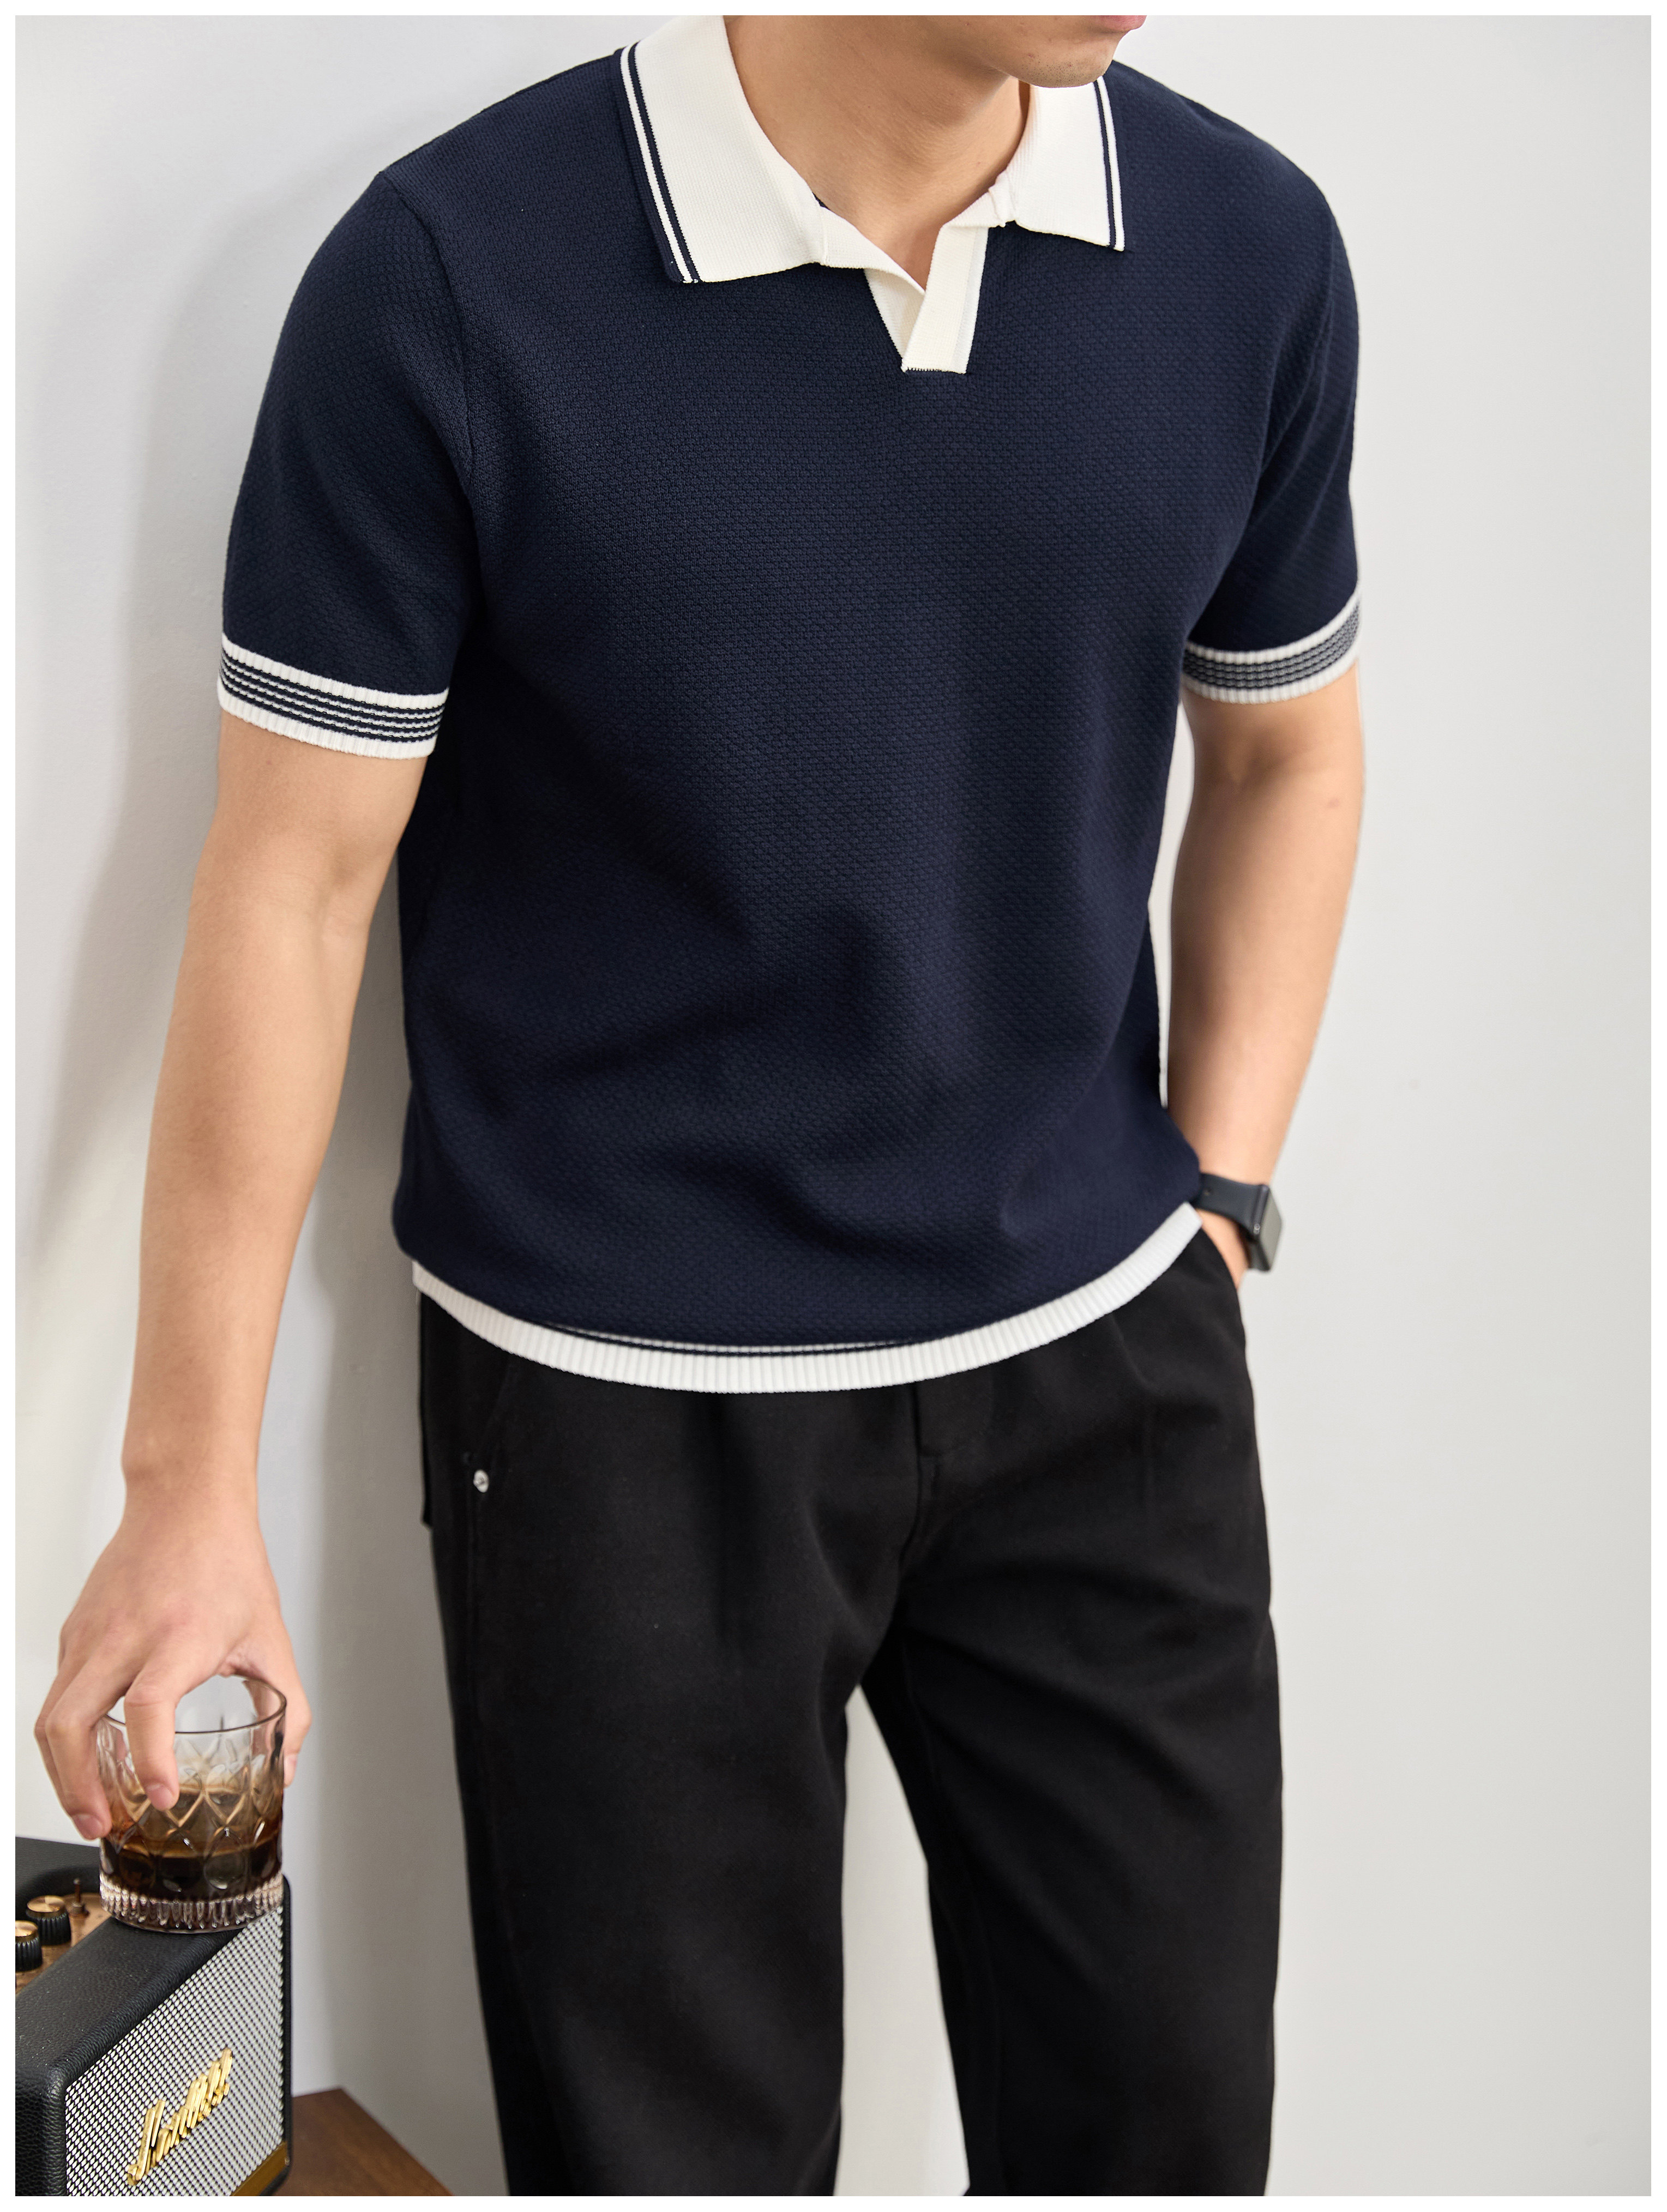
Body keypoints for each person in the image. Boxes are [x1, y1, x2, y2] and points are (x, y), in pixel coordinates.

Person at [35, 12, 1364, 2195]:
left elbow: (1290, 743)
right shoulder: (450, 282)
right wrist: (182, 1489)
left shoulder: (1252, 247)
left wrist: (1215, 1200)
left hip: (1104, 1374)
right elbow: (293, 883)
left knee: (1169, 2140)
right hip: (614, 1418)